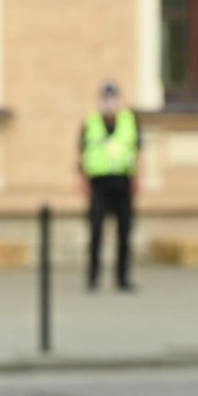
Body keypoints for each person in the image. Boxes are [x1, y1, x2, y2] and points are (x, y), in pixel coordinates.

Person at [78, 82, 141, 292]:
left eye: (113, 97)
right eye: (106, 97)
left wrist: (137, 179)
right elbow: (82, 152)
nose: (110, 102)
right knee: (96, 231)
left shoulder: (129, 121)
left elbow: (136, 151)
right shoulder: (91, 122)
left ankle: (122, 278)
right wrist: (83, 181)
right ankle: (93, 278)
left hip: (123, 182)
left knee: (124, 232)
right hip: (99, 183)